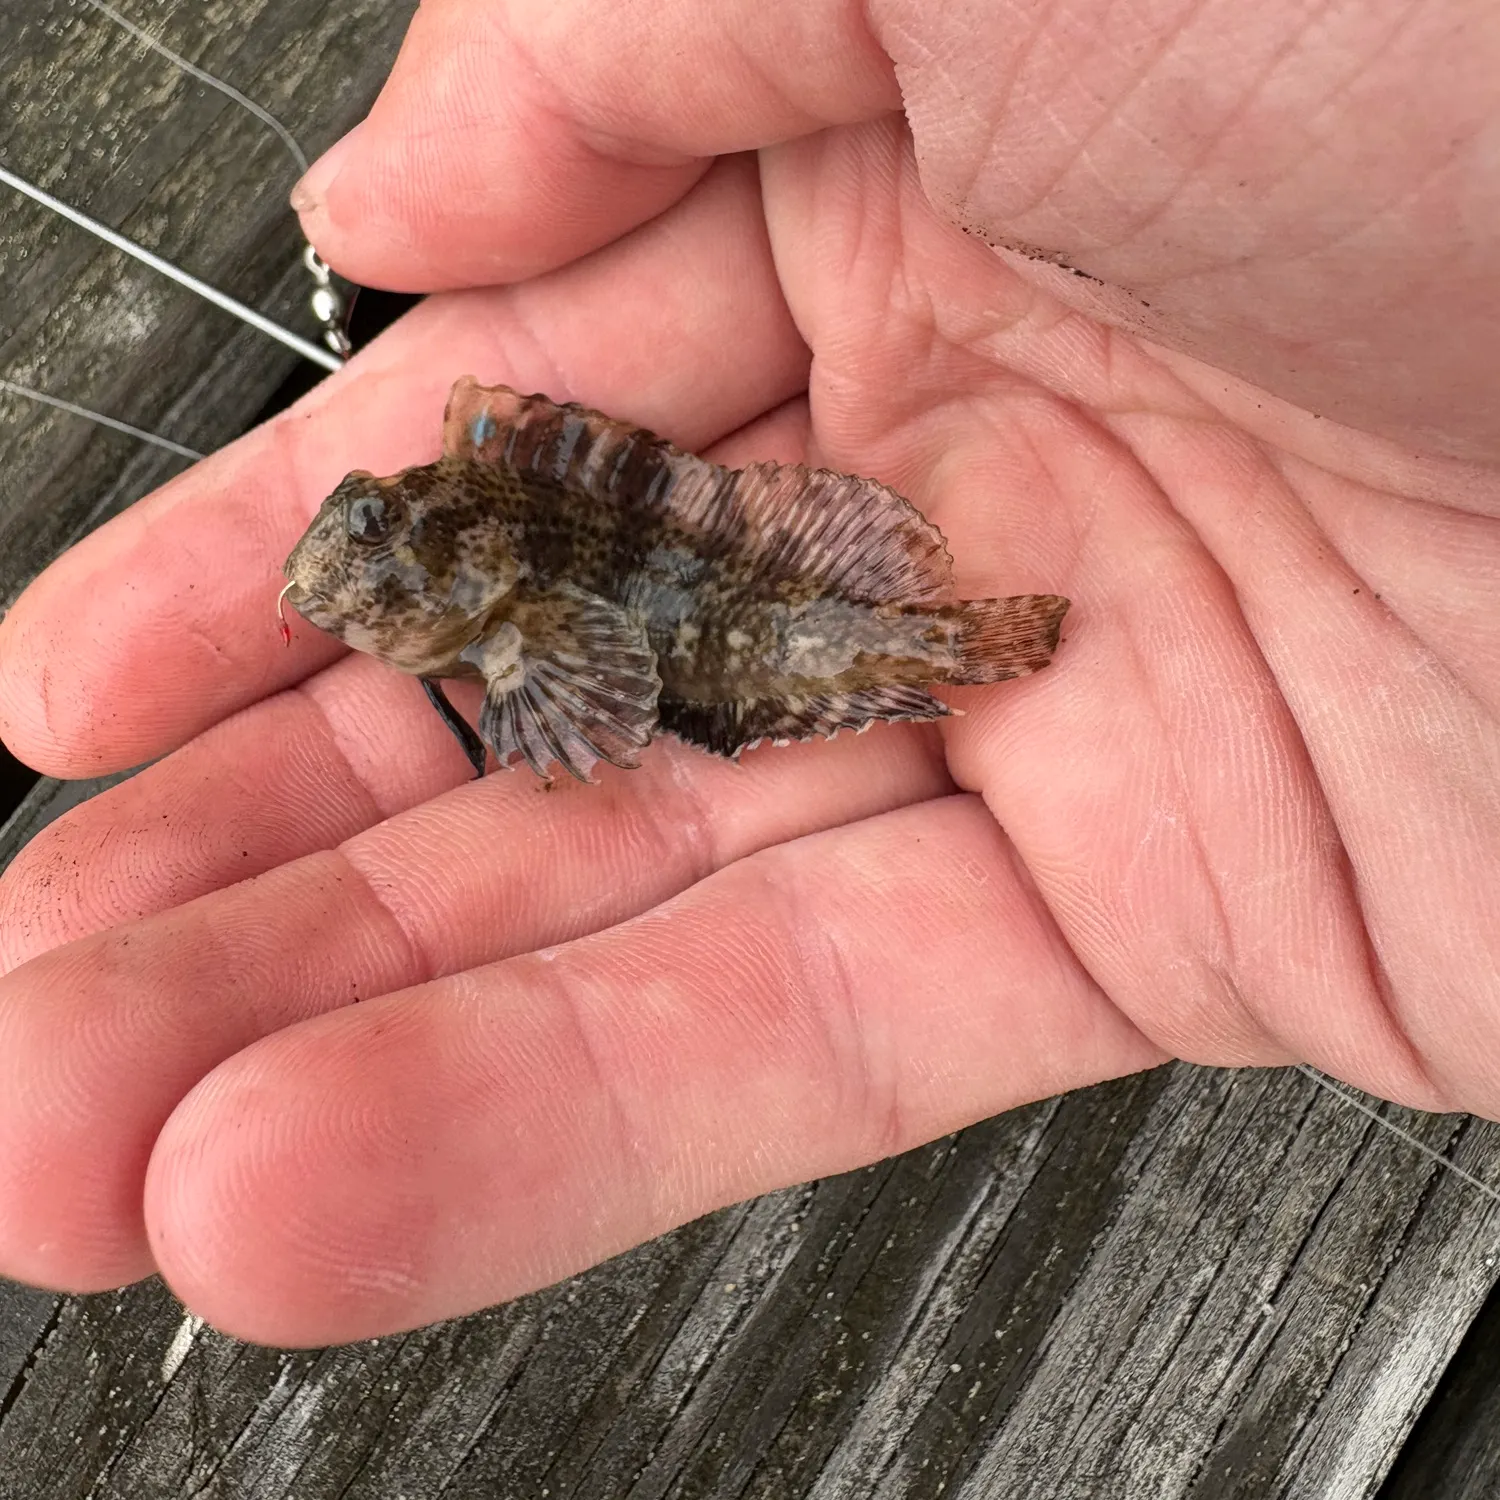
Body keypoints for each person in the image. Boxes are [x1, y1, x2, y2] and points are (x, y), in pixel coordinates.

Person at [0, 0, 1494, 1349]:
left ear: (451, 572)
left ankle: (936, 652)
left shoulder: (504, 570)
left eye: (376, 556)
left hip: (753, 609)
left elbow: (579, 671)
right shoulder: (484, 533)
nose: (341, 589)